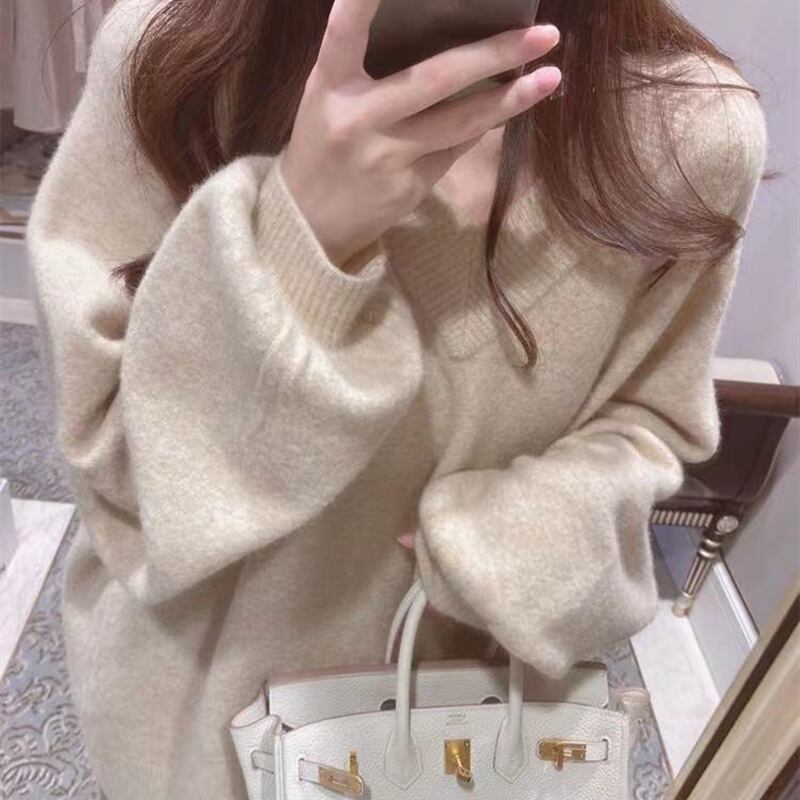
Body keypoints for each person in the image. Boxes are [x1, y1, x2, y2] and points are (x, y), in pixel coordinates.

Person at [26, 0, 767, 797]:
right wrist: (299, 236)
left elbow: (652, 420)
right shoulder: (173, 56)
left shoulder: (687, 130)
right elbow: (118, 469)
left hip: (462, 722)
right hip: (186, 718)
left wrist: (520, 541)